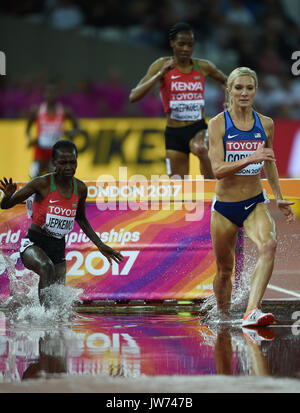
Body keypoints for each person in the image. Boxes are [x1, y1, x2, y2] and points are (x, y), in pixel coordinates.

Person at [208, 66, 295, 326]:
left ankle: (251, 311)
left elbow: (269, 162)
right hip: (224, 208)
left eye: (249, 88)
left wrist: (278, 196)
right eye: (238, 88)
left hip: (255, 202)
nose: (244, 93)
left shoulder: (266, 124)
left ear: (255, 90)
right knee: (225, 272)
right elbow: (217, 170)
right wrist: (251, 157)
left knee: (268, 245)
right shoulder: (218, 124)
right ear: (229, 91)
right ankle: (221, 317)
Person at [0, 140, 123, 307]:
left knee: (57, 300)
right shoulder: (42, 183)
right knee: (46, 267)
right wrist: (7, 196)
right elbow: (6, 205)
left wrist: (100, 245)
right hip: (34, 244)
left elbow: (81, 218)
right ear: (53, 163)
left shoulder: (80, 188)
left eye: (72, 162)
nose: (68, 167)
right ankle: (42, 317)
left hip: (58, 248)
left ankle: (45, 318)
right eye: (63, 163)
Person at [129, 22, 228, 179]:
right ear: (172, 43)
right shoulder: (161, 65)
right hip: (174, 133)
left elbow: (227, 82)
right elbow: (133, 96)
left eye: (190, 45)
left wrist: (228, 100)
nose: (186, 49)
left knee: (201, 149)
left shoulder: (203, 66)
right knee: (178, 187)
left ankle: (214, 193)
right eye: (181, 44)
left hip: (198, 128)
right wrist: (160, 74)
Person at [26, 80, 80, 178]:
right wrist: (30, 139)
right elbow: (28, 128)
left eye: (54, 92)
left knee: (54, 178)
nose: (51, 94)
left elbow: (77, 127)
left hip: (56, 151)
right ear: (44, 93)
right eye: (49, 92)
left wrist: (72, 133)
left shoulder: (64, 110)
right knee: (33, 176)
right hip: (40, 150)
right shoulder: (37, 110)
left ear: (57, 94)